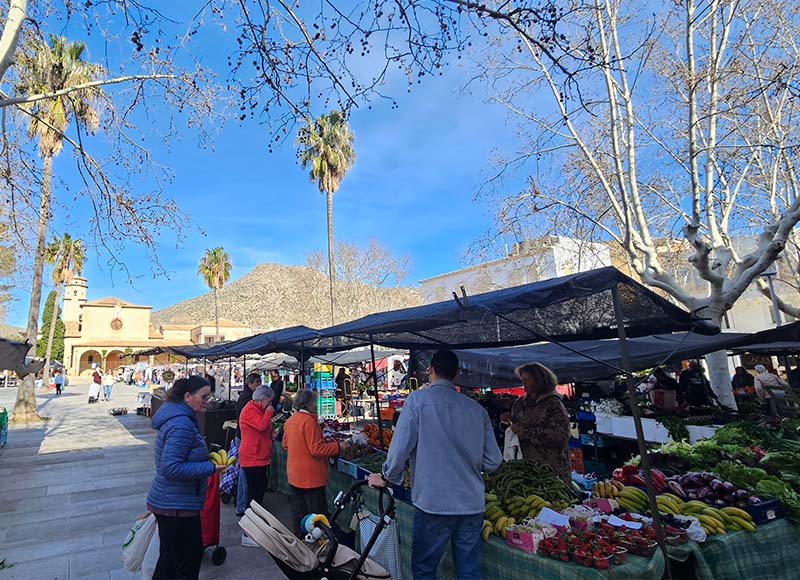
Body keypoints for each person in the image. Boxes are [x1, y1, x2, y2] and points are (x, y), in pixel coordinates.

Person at [368, 350, 502, 580]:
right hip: (471, 504)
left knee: (424, 570)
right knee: (468, 571)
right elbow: (493, 461)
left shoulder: (418, 402)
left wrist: (387, 477)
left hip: (434, 504)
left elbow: (400, 447)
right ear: (456, 374)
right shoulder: (476, 409)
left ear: (430, 370)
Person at [146, 376, 223, 580]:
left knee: (171, 560)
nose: (207, 401)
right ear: (187, 396)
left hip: (175, 500)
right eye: (203, 397)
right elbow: (170, 467)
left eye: (209, 396)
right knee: (183, 562)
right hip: (176, 505)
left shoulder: (181, 418)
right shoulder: (182, 425)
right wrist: (210, 467)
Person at [283, 388, 345, 536]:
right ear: (309, 403)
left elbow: (285, 445)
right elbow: (317, 449)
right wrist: (338, 447)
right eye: (314, 402)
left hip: (294, 475)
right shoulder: (310, 422)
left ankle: (300, 541)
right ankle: (318, 547)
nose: (316, 405)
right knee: (316, 516)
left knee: (299, 512)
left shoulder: (290, 421)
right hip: (311, 477)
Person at [510, 363, 571, 483]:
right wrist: (507, 422)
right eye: (522, 380)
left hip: (552, 469)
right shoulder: (519, 403)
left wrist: (524, 431)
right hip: (528, 469)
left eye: (528, 380)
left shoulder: (553, 403)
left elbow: (560, 435)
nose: (524, 383)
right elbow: (514, 427)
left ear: (539, 380)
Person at [238, 385, 275, 546]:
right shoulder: (250, 410)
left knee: (258, 492)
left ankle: (256, 527)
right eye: (269, 400)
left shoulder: (255, 409)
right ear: (263, 399)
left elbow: (262, 429)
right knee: (253, 495)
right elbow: (260, 425)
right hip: (252, 457)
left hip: (259, 457)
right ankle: (248, 533)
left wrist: (271, 432)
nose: (270, 403)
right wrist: (269, 412)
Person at [235, 373, 262, 517]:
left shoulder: (246, 395)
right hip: (245, 439)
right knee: (244, 477)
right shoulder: (248, 398)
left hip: (242, 437)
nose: (259, 385)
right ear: (250, 383)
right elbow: (260, 425)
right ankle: (243, 507)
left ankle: (241, 506)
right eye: (257, 382)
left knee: (243, 475)